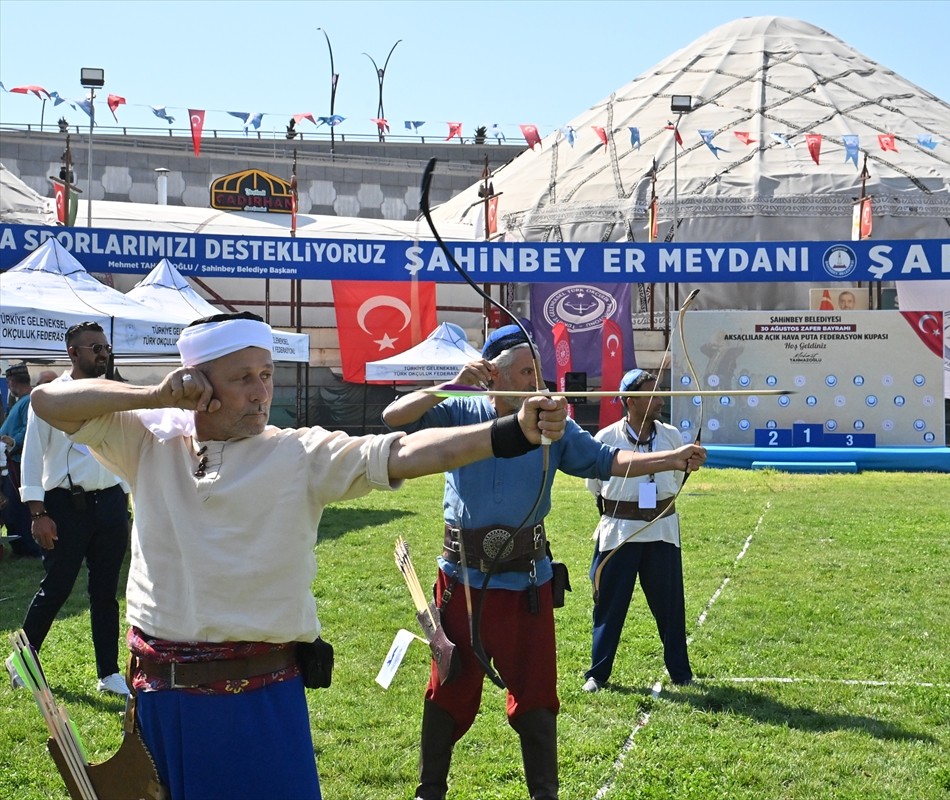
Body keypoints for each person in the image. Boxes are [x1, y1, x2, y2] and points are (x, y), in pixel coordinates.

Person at [27, 312, 567, 800]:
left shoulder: (297, 452)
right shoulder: (148, 441)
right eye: (243, 378)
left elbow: (402, 452)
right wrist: (156, 397)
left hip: (258, 702)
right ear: (195, 383)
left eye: (266, 374)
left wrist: (510, 432)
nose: (262, 392)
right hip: (161, 702)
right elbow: (47, 401)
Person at [382, 324, 706, 800]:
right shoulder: (459, 409)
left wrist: (671, 458)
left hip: (526, 585)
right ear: (492, 375)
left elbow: (607, 461)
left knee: (536, 695)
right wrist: (450, 383)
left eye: (538, 370)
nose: (537, 382)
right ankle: (430, 789)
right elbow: (394, 417)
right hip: (460, 584)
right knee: (448, 687)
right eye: (524, 371)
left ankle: (544, 793)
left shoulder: (553, 422)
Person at [7, 325, 132, 699]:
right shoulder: (49, 397)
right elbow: (31, 457)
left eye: (106, 347)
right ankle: (23, 661)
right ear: (73, 353)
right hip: (65, 505)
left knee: (105, 591)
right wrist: (37, 513)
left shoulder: (113, 392)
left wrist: (125, 498)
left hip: (109, 502)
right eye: (95, 348)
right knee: (57, 587)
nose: (103, 354)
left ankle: (109, 672)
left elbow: (123, 447)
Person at [583, 369, 693, 693]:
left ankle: (681, 673)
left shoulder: (671, 435)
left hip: (661, 532)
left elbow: (676, 480)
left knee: (670, 606)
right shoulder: (606, 438)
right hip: (620, 533)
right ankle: (598, 674)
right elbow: (596, 486)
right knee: (609, 606)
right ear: (631, 401)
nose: (661, 399)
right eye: (653, 394)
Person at [0, 362, 39, 557]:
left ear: (11, 382)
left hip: (18, 462)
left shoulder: (29, 400)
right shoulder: (22, 401)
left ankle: (28, 547)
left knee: (17, 508)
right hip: (11, 462)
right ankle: (21, 546)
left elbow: (30, 428)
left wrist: (13, 441)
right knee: (11, 507)